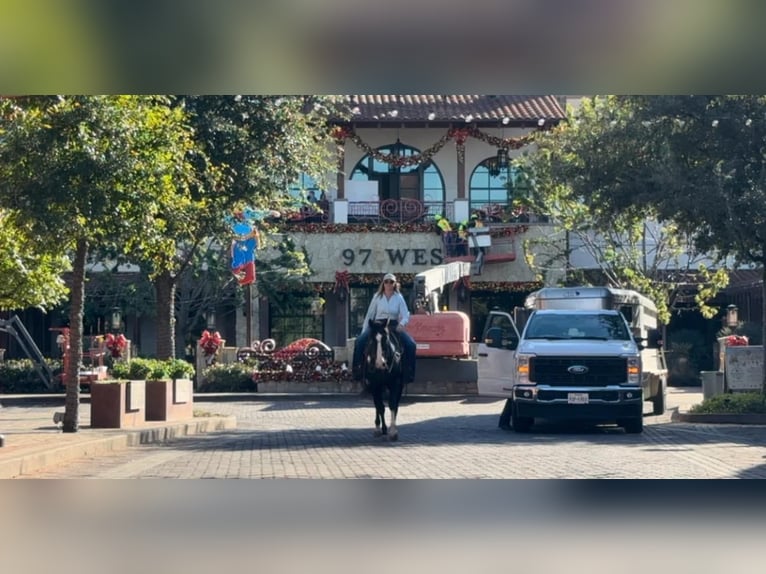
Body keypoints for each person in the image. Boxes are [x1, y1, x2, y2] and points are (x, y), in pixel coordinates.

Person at [352, 273, 417, 383]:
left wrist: (402, 324)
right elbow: (370, 314)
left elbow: (406, 314)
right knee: (359, 342)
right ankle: (357, 370)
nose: (388, 284)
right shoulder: (377, 297)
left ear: (394, 284)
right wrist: (364, 331)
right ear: (383, 283)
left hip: (393, 325)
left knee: (411, 344)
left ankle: (409, 373)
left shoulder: (399, 297)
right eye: (386, 281)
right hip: (377, 325)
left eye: (391, 282)